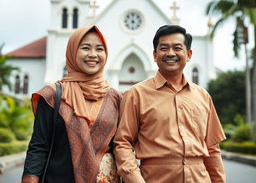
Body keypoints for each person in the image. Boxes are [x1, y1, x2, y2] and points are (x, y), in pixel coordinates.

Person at [114, 25, 226, 183]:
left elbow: (212, 149)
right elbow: (123, 143)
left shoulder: (203, 96)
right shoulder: (136, 95)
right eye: (164, 48)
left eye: (177, 47)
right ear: (155, 55)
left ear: (188, 54)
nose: (170, 53)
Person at [22, 26, 122, 183]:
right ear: (73, 51)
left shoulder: (115, 98)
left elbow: (121, 146)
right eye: (85, 48)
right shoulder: (52, 95)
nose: (93, 55)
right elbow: (39, 146)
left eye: (99, 49)